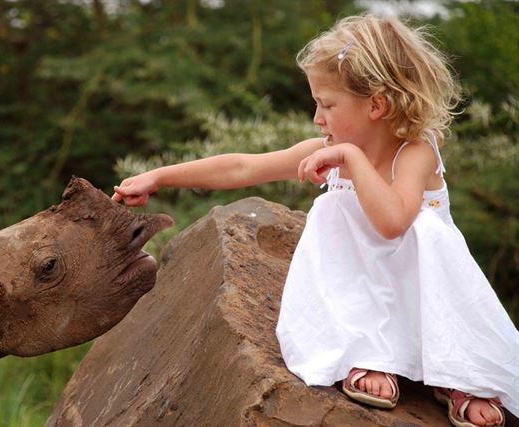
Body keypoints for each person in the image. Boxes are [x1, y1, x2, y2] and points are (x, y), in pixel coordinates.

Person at [111, 14, 518, 427]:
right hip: (366, 293)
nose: (317, 118)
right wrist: (160, 176)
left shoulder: (415, 153)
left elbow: (392, 222)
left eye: (326, 104)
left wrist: (353, 161)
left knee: (424, 231)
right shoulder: (330, 147)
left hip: (425, 293)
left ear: (376, 105)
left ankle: (458, 375)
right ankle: (370, 353)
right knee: (331, 214)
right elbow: (242, 168)